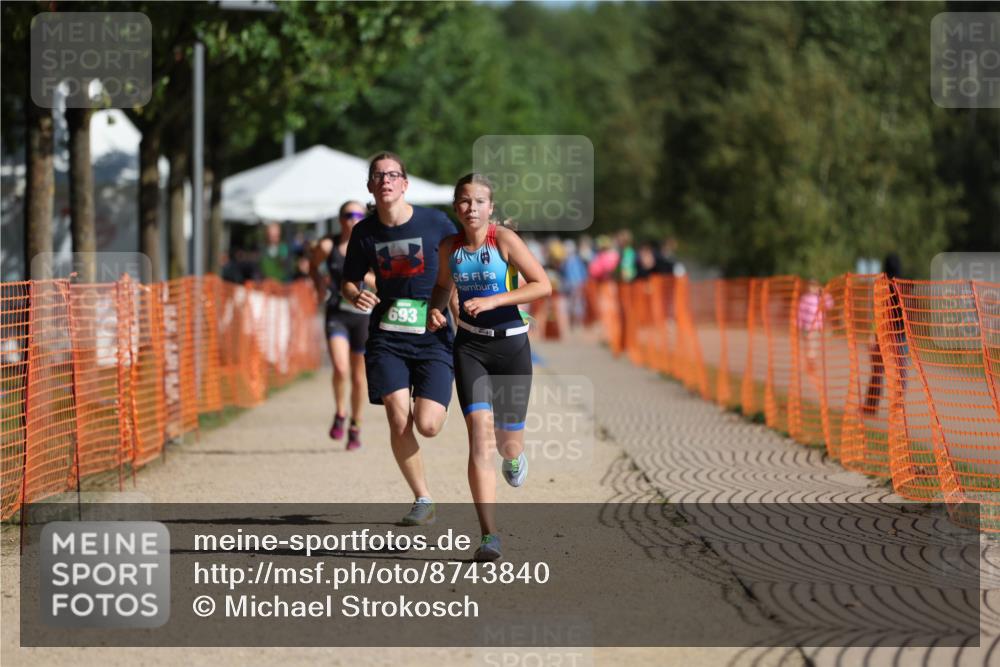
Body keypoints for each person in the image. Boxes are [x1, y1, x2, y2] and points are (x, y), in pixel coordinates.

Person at [428, 173, 552, 562]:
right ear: (456, 207)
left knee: (506, 443)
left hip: (512, 347)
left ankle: (515, 457)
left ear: (490, 207)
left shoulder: (505, 241)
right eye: (464, 201)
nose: (472, 208)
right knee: (479, 439)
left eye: (479, 201)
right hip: (470, 349)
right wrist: (435, 308)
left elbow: (542, 285)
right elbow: (442, 288)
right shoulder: (449, 247)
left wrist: (496, 301)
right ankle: (488, 536)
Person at [341, 152, 458, 526]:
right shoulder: (364, 232)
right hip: (387, 336)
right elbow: (348, 279)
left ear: (405, 184)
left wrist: (458, 306)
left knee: (428, 425)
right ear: (371, 187)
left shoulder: (436, 222)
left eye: (393, 175)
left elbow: (462, 261)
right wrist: (354, 293)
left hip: (432, 333)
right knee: (397, 417)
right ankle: (422, 498)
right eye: (379, 175)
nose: (386, 180)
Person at [311, 201, 372, 451]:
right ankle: (340, 412)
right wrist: (319, 287)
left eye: (358, 214)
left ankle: (356, 426)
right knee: (339, 367)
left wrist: (362, 275)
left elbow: (381, 281)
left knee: (359, 377)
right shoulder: (328, 246)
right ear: (340, 219)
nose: (353, 219)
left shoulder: (371, 246)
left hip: (364, 316)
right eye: (348, 215)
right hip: (337, 313)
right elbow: (313, 265)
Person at [863, 253, 907, 415]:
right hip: (901, 333)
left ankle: (871, 406)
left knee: (878, 370)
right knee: (900, 372)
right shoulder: (904, 285)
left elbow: (877, 312)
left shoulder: (881, 286)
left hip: (883, 332)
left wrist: (872, 333)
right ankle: (898, 408)